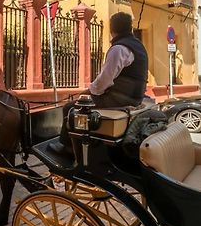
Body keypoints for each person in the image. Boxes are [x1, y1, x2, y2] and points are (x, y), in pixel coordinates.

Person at [50, 11, 148, 156]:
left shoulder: (119, 49)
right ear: (130, 28)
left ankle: (68, 148)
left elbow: (104, 81)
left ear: (112, 29)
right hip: (135, 96)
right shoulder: (138, 45)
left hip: (121, 97)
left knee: (70, 108)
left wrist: (87, 92)